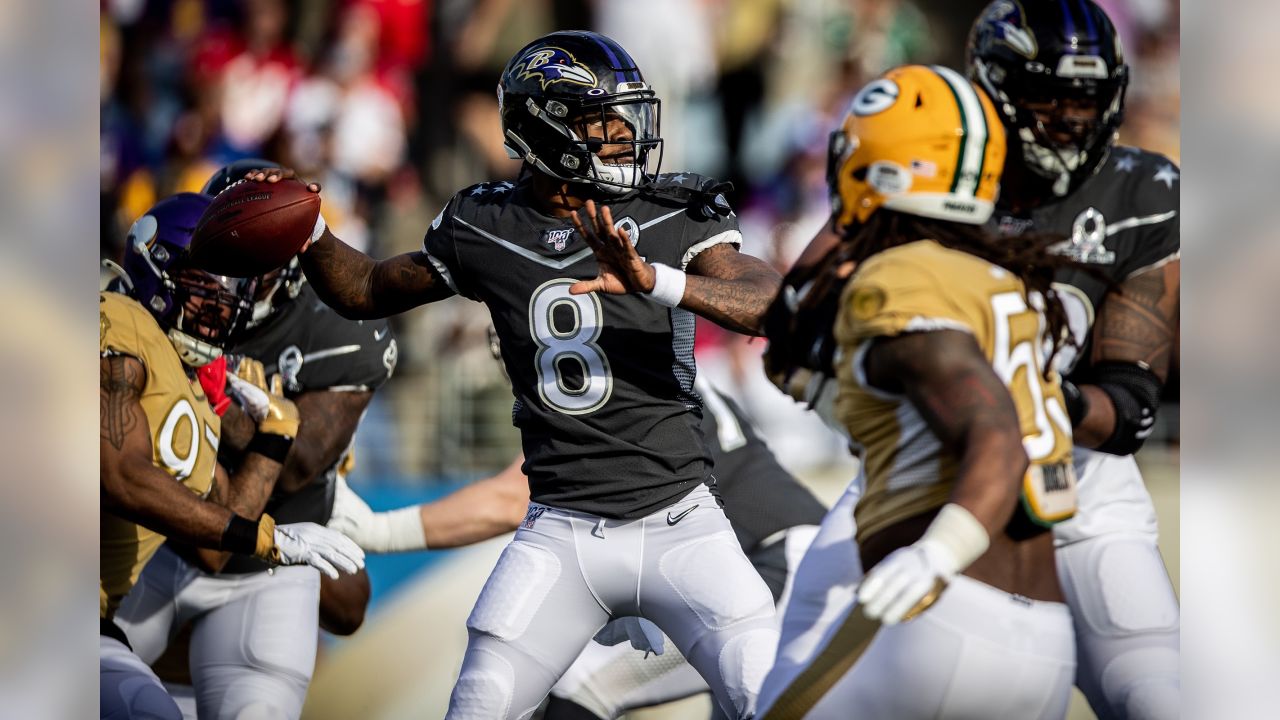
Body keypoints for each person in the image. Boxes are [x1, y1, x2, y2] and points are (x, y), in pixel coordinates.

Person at [248, 29, 785, 719]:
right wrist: (310, 228)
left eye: (627, 117)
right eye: (601, 120)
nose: (625, 135)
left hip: (683, 520)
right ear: (546, 128)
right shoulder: (485, 223)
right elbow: (369, 289)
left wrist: (658, 281)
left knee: (773, 701)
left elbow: (772, 302)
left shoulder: (671, 212)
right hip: (560, 528)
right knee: (477, 707)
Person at [758, 64, 1082, 718]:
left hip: (945, 609)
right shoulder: (999, 277)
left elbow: (996, 436)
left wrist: (937, 556)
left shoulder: (899, 277)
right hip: (1046, 639)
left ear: (884, 168)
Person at [112, 160, 401, 720]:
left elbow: (297, 468)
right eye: (211, 263)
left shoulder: (341, 330)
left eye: (243, 264)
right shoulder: (140, 316)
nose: (223, 285)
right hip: (157, 539)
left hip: (270, 554)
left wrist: (231, 404)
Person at [968, 2, 1180, 717]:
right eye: (1048, 95)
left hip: (1084, 492)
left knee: (1159, 698)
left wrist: (1038, 398)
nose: (1069, 116)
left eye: (1086, 98)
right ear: (994, 88)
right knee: (793, 682)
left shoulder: (1140, 190)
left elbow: (1126, 409)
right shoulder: (937, 170)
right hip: (933, 480)